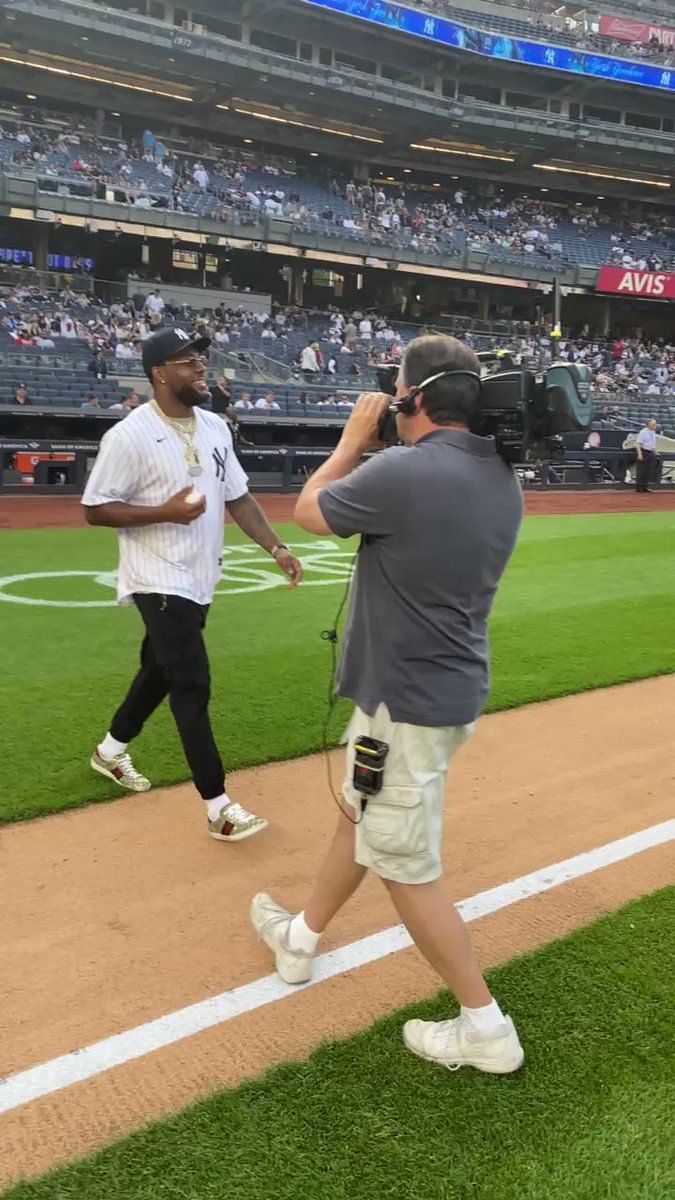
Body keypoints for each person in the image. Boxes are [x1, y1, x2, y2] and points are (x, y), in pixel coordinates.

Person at [250, 334, 525, 1074]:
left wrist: (348, 440)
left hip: (405, 699)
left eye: (396, 391)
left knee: (404, 863)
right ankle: (302, 937)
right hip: (436, 690)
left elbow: (308, 510)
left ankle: (485, 1028)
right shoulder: (499, 472)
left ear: (415, 398)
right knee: (361, 811)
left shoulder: (403, 472)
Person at [82, 327, 303, 841]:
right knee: (191, 683)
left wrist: (277, 547)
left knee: (160, 670)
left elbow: (239, 498)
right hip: (156, 574)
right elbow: (94, 508)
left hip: (200, 573)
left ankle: (110, 752)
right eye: (186, 361)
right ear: (159, 374)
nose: (200, 368)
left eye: (200, 359)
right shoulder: (129, 435)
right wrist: (166, 512)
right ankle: (218, 807)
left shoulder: (215, 427)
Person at [635, 418, 659, 493]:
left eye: (655, 424)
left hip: (650, 452)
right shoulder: (643, 432)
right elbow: (638, 444)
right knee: (641, 470)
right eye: (653, 424)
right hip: (644, 452)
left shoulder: (653, 432)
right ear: (649, 425)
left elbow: (653, 444)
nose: (655, 426)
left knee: (649, 470)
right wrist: (639, 454)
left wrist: (656, 452)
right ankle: (639, 486)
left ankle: (645, 486)